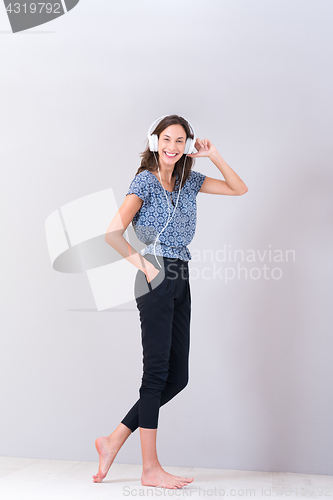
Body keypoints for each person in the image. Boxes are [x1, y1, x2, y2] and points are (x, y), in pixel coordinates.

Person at [93, 115, 248, 489]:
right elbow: (112, 233)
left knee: (177, 376)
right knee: (156, 373)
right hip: (156, 273)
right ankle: (150, 469)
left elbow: (239, 188)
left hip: (181, 275)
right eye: (167, 139)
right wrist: (144, 266)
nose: (173, 147)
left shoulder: (189, 182)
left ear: (187, 146)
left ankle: (113, 439)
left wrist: (214, 155)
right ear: (154, 140)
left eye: (181, 141)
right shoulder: (144, 181)